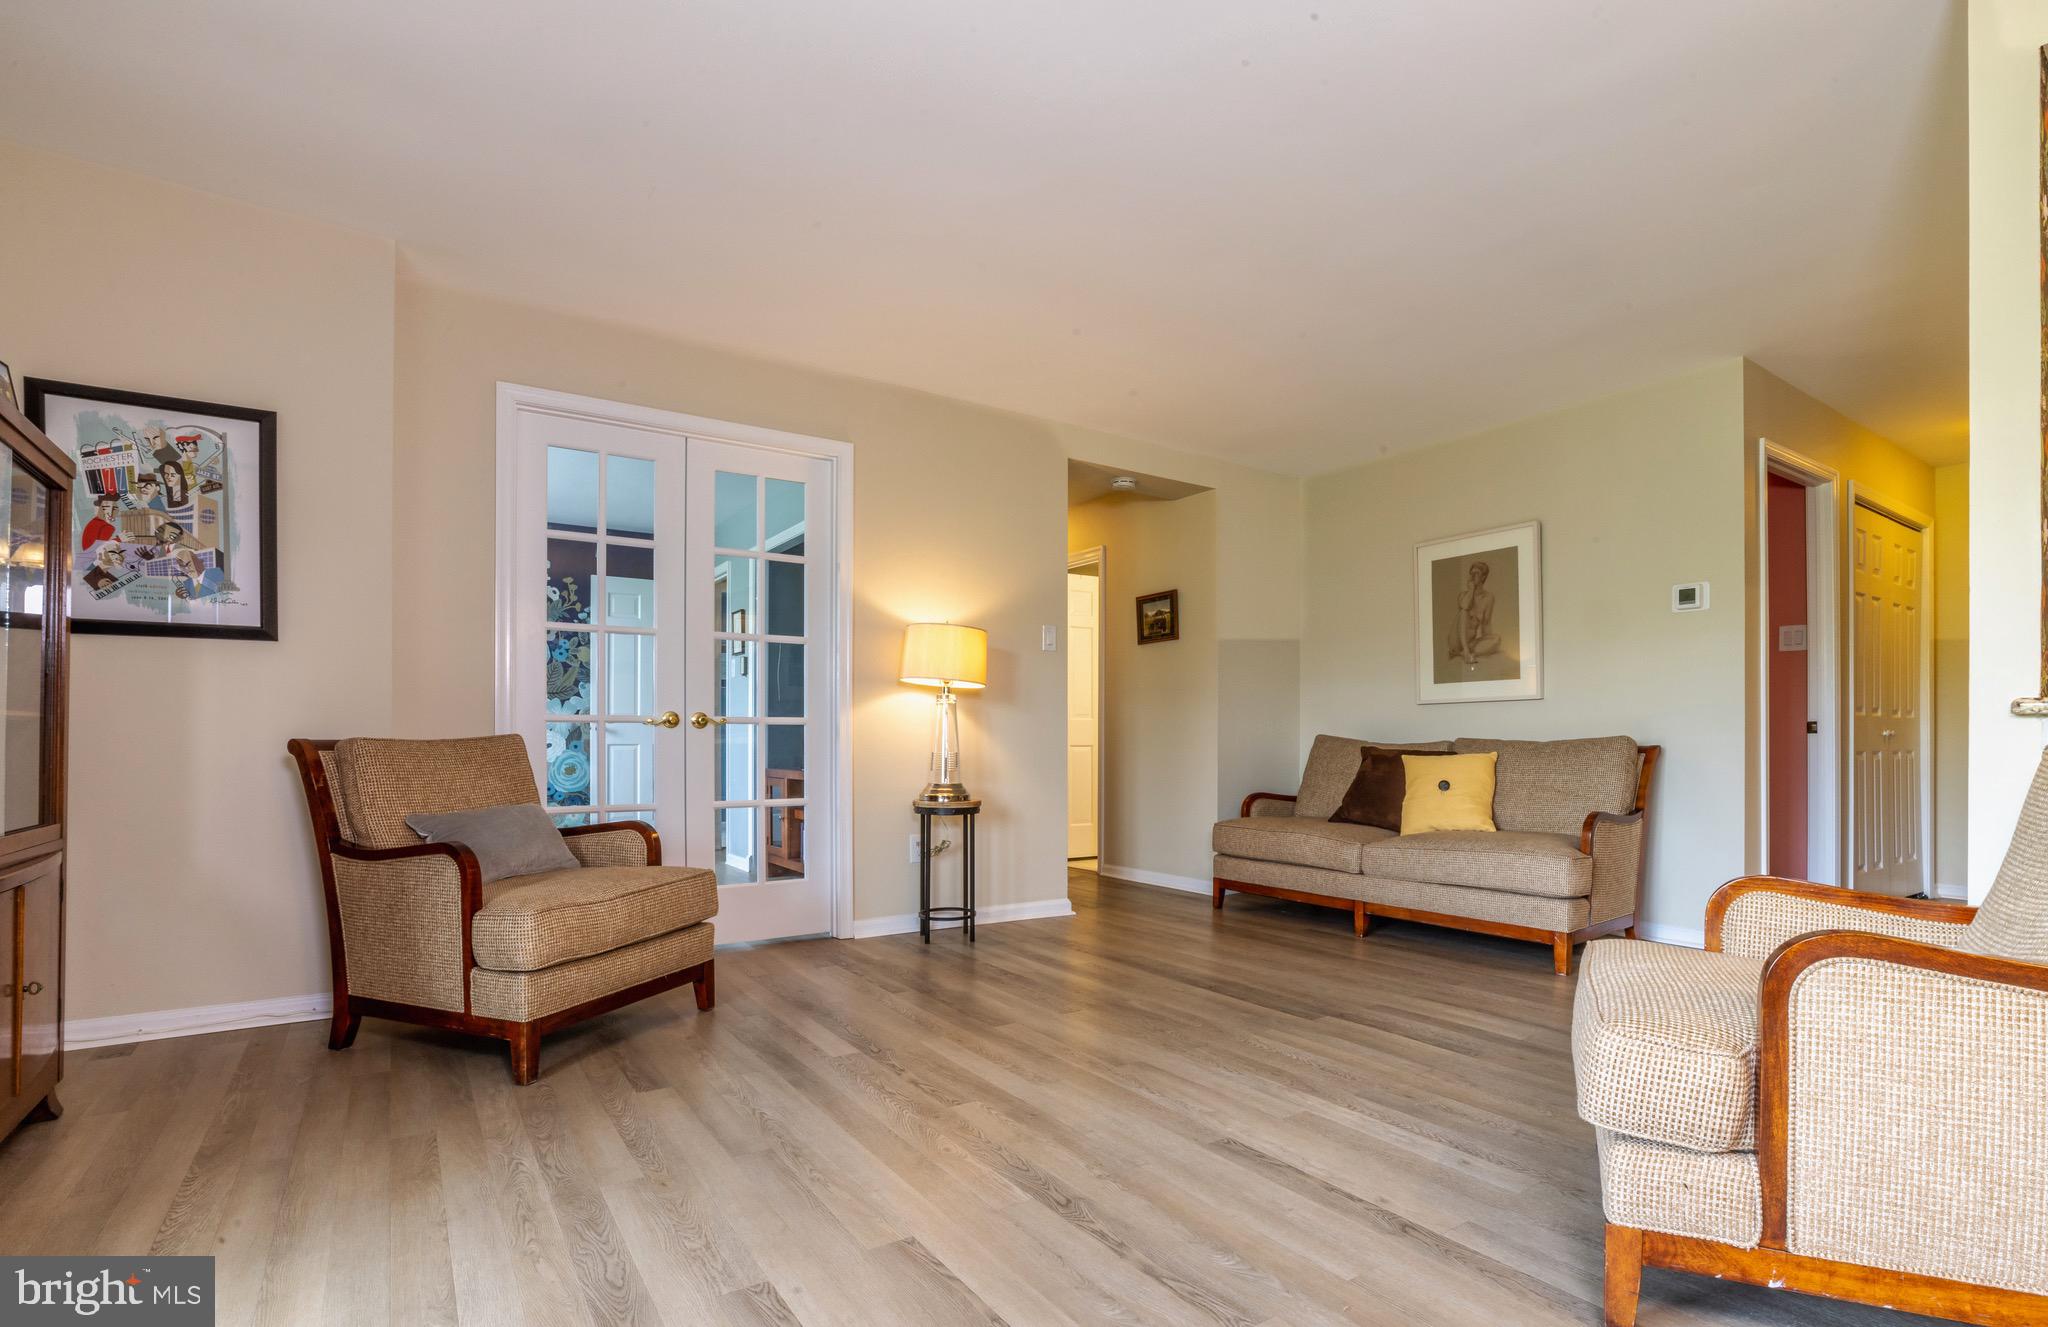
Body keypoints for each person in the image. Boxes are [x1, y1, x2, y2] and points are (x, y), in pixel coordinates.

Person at [1449, 560, 1501, 667]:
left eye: (1476, 573)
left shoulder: (1488, 598)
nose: (1473, 576)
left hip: (1470, 642)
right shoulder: (1463, 595)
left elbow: (1486, 624)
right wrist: (1471, 590)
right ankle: (1465, 652)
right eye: (1471, 573)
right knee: (1464, 612)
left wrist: (1486, 643)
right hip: (1457, 640)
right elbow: (1465, 606)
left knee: (1496, 639)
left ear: (1483, 577)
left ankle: (1464, 653)